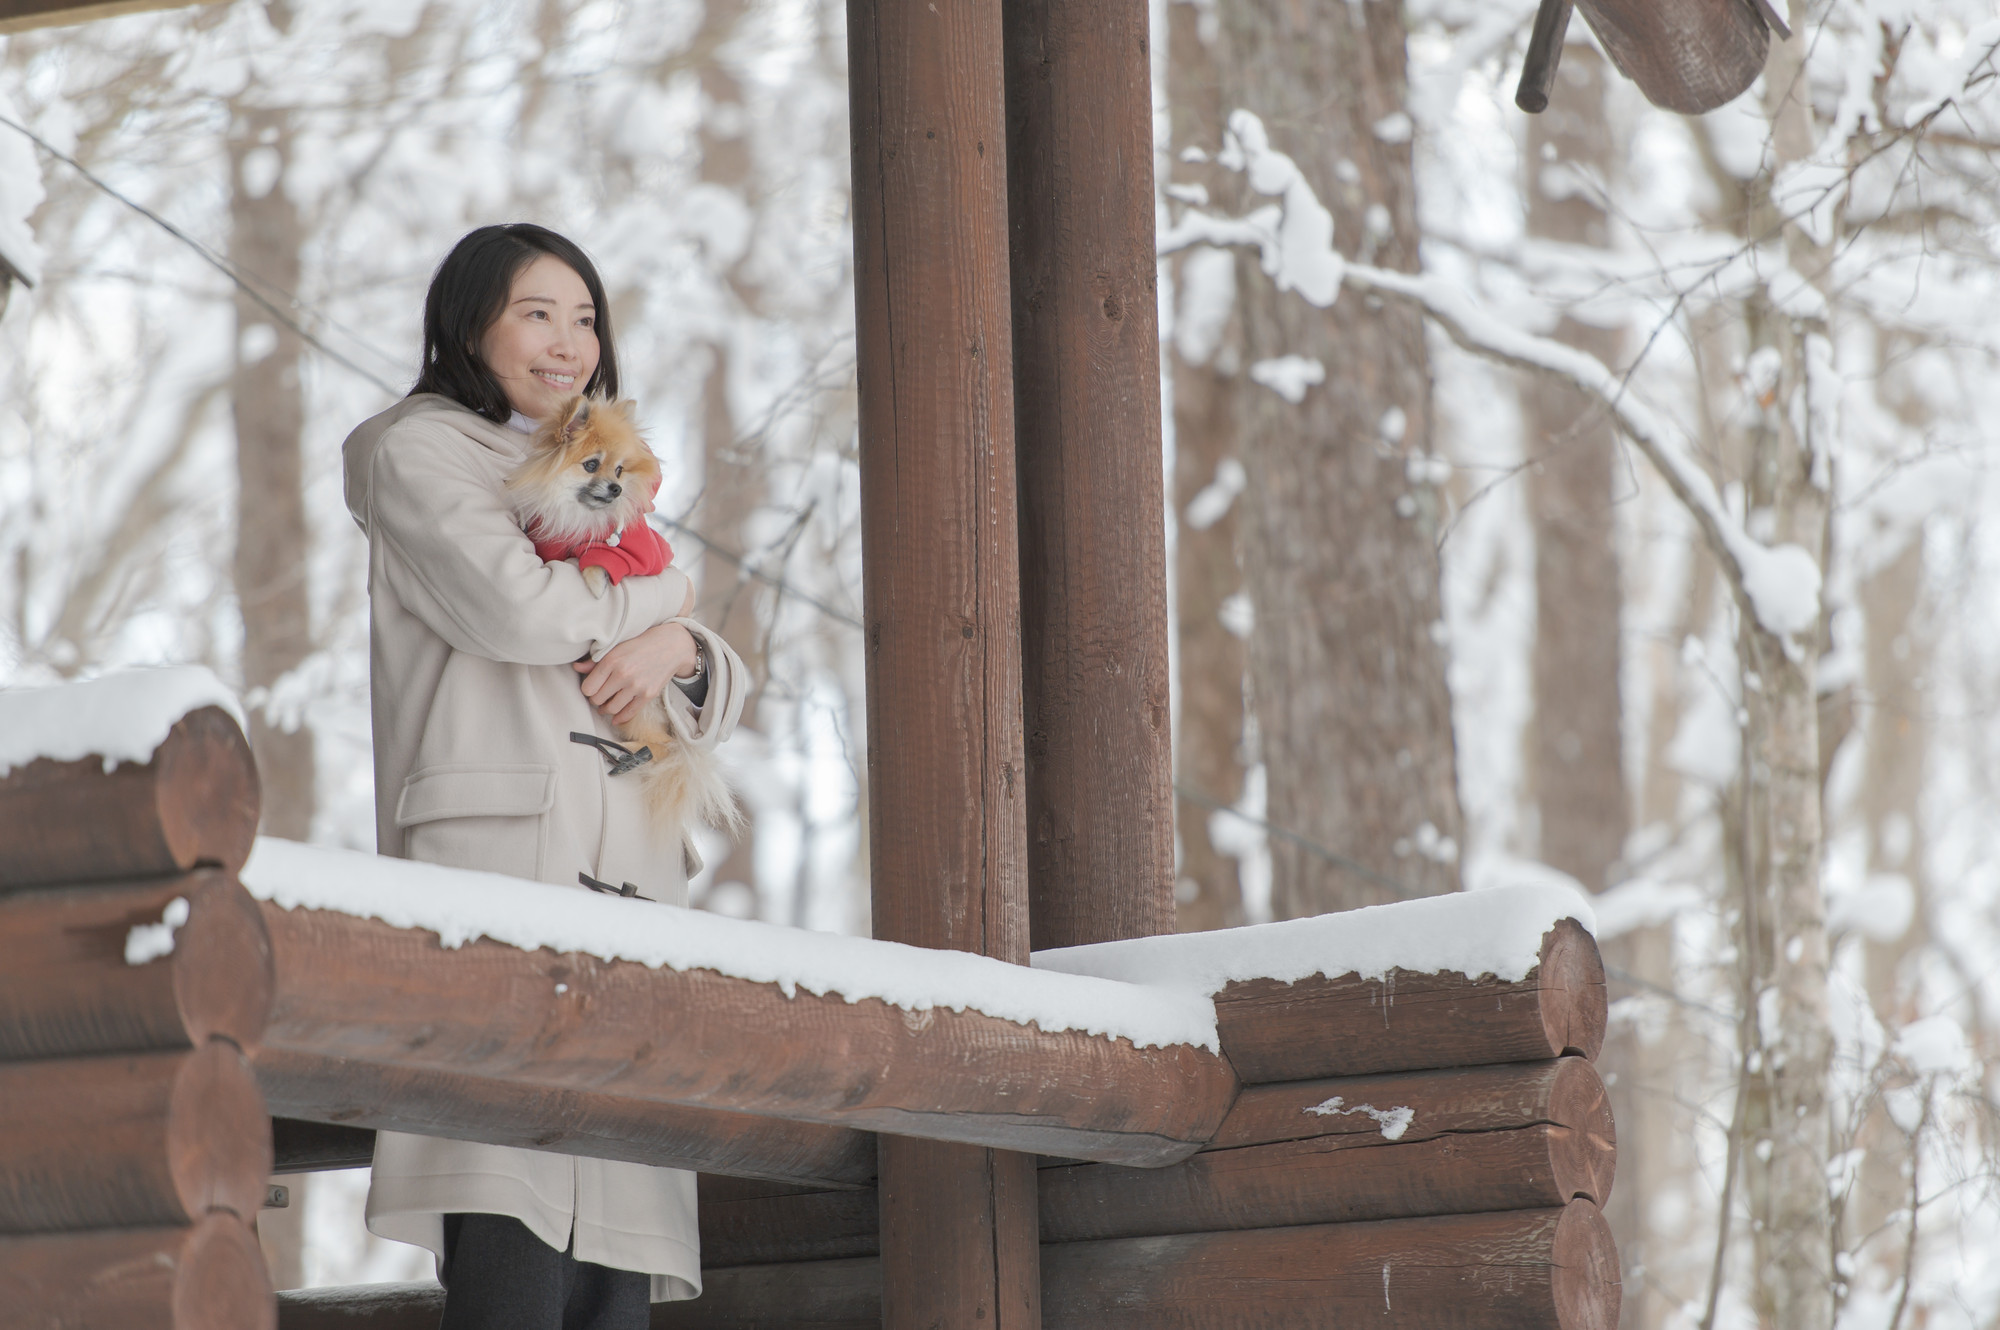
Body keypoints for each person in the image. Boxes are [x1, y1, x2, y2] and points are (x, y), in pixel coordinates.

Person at [340, 223, 744, 1328]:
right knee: (508, 1229)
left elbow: (698, 683)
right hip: (504, 871)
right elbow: (519, 611)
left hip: (634, 893)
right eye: (535, 312)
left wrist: (690, 651)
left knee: (613, 1264)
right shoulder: (413, 450)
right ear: (468, 322)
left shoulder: (599, 468)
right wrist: (672, 603)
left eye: (584, 316)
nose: (569, 341)